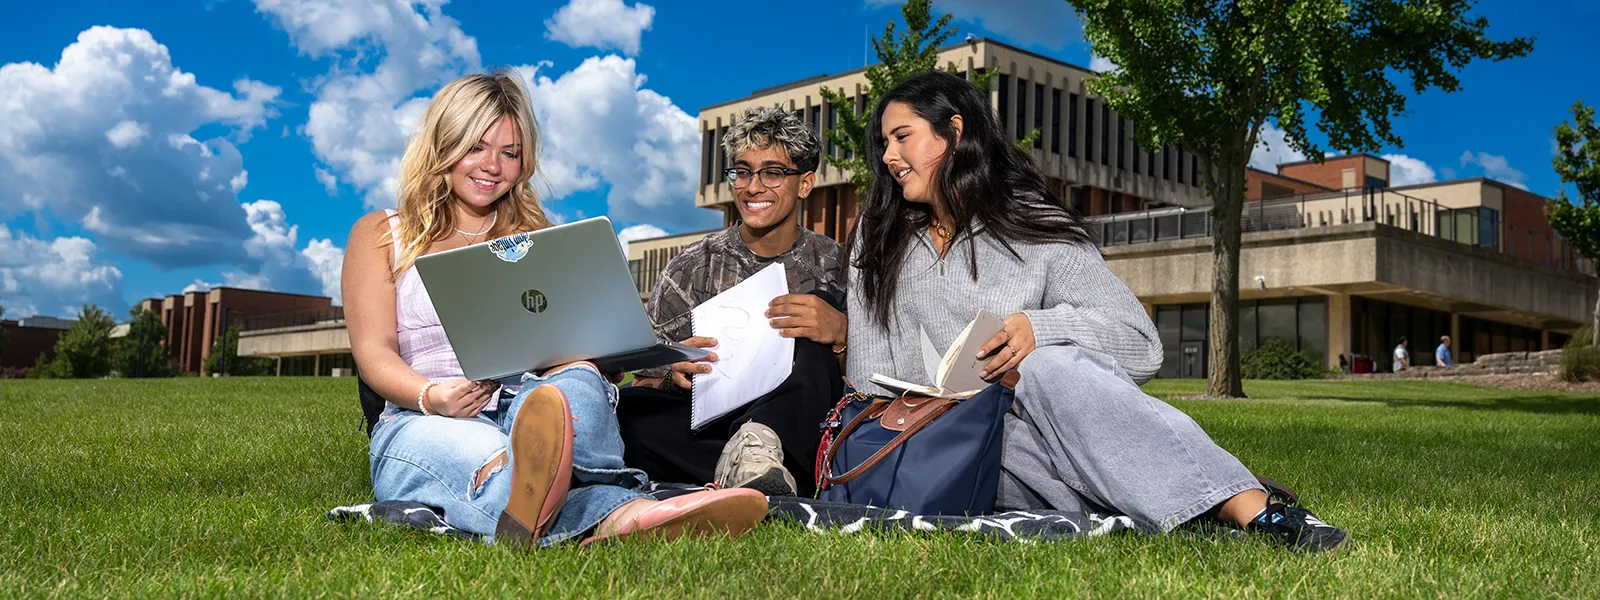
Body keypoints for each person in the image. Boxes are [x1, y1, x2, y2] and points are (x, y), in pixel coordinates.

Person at [844, 71, 1347, 553]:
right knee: (1010, 448)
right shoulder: (879, 233)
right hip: (945, 445)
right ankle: (1185, 498)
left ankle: (1252, 508)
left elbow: (1143, 345)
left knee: (1046, 363)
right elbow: (866, 374)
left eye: (901, 137)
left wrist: (1040, 329)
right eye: (884, 144)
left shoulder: (1035, 225)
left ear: (954, 132)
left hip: (1041, 427)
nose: (888, 156)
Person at [342, 71, 765, 547]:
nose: (493, 166)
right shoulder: (383, 234)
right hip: (429, 418)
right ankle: (625, 512)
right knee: (488, 456)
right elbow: (374, 351)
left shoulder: (542, 238)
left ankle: (551, 490)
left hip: (537, 409)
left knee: (577, 377)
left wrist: (654, 354)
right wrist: (430, 396)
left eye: (510, 153)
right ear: (444, 142)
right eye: (476, 147)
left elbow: (585, 339)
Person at [620, 106, 845, 496]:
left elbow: (873, 378)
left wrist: (840, 332)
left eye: (772, 173)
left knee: (810, 311)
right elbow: (646, 379)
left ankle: (759, 450)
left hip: (799, 424)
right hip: (712, 424)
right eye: (742, 172)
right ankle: (751, 471)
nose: (752, 187)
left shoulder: (839, 266)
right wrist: (674, 372)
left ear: (805, 184)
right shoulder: (688, 268)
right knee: (626, 410)